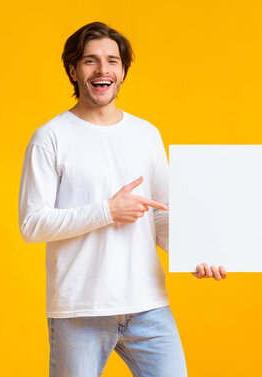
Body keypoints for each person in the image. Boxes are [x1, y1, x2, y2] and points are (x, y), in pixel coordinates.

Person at [18, 22, 225, 377]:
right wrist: (107, 211)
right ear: (73, 69)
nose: (103, 70)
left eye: (112, 61)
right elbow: (32, 224)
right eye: (90, 61)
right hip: (79, 310)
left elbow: (160, 219)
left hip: (147, 306)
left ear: (123, 70)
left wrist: (197, 256)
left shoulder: (146, 134)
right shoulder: (50, 138)